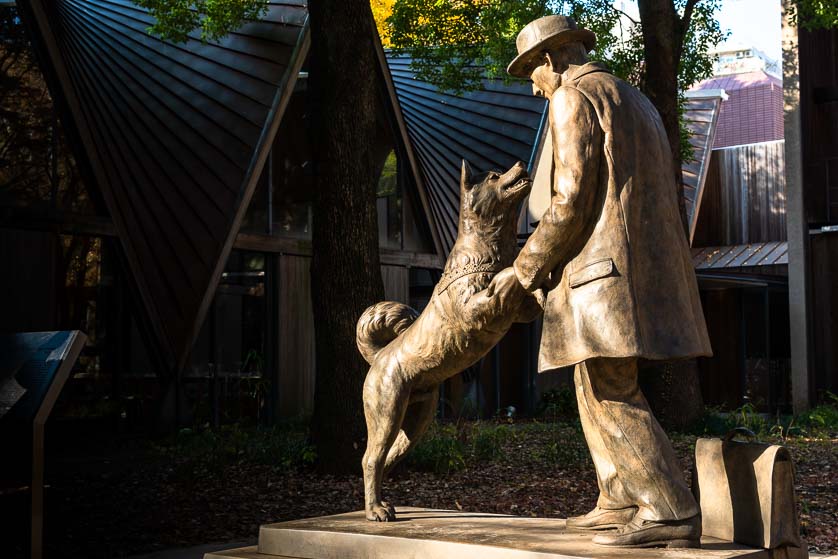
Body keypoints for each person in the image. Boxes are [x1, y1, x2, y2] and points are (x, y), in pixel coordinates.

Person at [490, 14, 713, 548]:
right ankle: (617, 496)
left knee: (610, 386)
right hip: (637, 269)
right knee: (592, 381)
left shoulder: (573, 97)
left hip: (600, 273)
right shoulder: (632, 99)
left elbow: (570, 202)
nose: (533, 85)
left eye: (530, 73)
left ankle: (667, 507)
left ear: (550, 59)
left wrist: (524, 269)